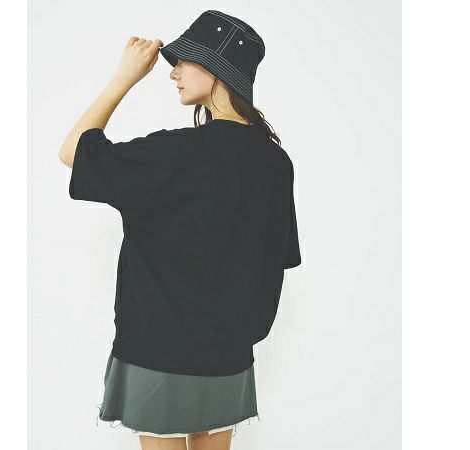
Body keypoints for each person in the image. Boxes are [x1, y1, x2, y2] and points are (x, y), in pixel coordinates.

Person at [58, 10, 301, 450]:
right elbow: (276, 260)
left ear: (216, 68)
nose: (173, 73)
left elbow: (73, 151)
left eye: (184, 61)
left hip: (158, 351)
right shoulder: (276, 161)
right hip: (229, 354)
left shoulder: (174, 153)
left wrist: (123, 79)